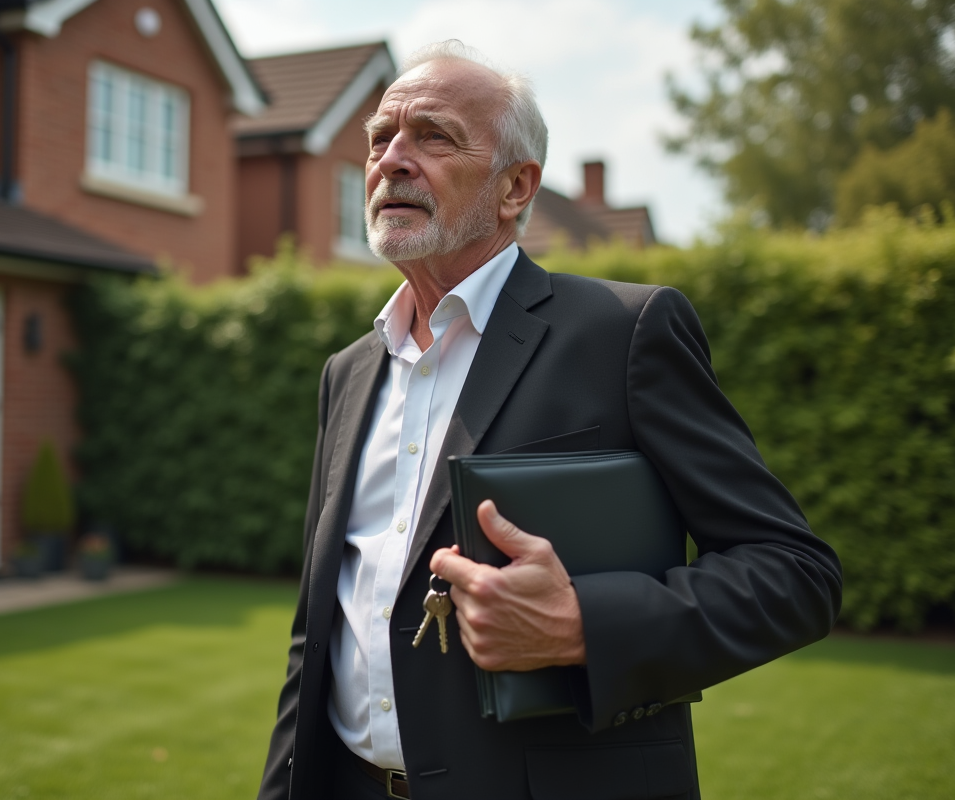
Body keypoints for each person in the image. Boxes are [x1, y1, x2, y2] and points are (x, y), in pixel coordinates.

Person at [257, 41, 842, 800]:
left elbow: (795, 574)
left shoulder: (624, 332)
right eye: (379, 138)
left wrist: (583, 625)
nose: (392, 159)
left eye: (432, 135)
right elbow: (318, 631)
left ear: (515, 187)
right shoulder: (349, 371)